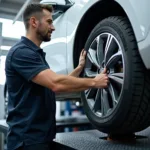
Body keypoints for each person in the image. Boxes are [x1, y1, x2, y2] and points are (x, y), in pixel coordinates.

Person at [5, 3, 109, 150]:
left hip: (40, 139)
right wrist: (95, 82)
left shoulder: (35, 54)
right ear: (34, 22)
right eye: (49, 21)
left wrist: (79, 68)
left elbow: (54, 88)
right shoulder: (21, 52)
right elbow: (56, 83)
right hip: (27, 142)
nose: (53, 27)